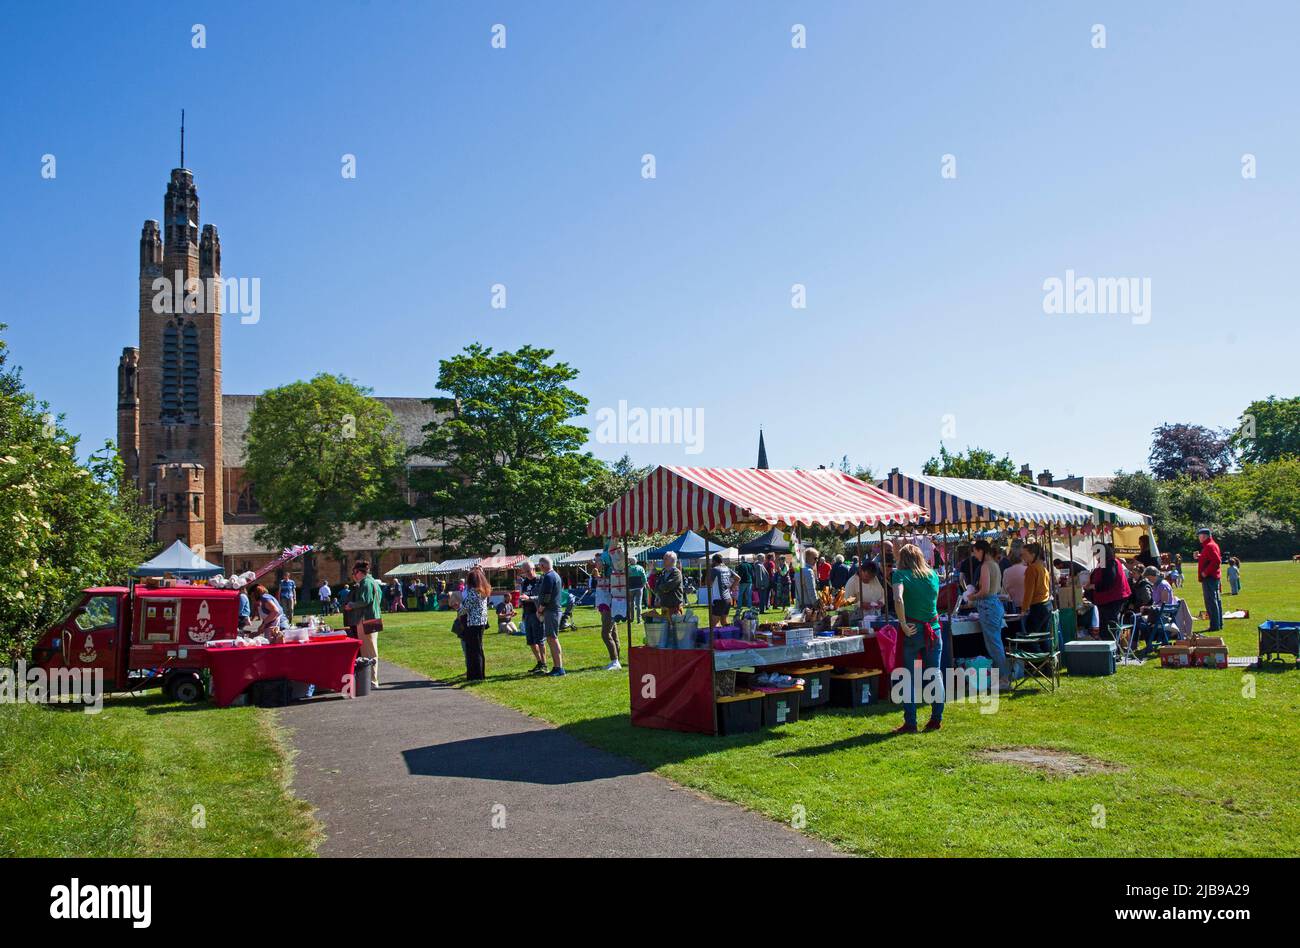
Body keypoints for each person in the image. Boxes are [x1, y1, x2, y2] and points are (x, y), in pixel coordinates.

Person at [890, 543, 943, 734]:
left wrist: (903, 624)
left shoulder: (900, 575)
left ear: (902, 559)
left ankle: (910, 723)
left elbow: (898, 598)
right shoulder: (933, 575)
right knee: (934, 673)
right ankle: (936, 719)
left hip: (912, 630)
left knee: (908, 678)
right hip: (933, 630)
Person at [969, 539, 1009, 684]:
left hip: (988, 607)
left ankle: (1004, 677)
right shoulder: (995, 565)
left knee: (994, 644)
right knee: (995, 643)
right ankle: (1002, 675)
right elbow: (995, 589)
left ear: (981, 551)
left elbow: (985, 591)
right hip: (995, 606)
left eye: (975, 552)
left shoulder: (986, 566)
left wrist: (972, 596)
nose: (974, 555)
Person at [1084, 543, 1130, 639]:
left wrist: (1093, 586)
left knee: (1109, 626)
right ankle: (1110, 647)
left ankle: (1112, 649)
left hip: (1112, 599)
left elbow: (1108, 582)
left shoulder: (1110, 562)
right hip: (1107, 599)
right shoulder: (1105, 562)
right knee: (1106, 626)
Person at [350, 560, 383, 687]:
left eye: (354, 572)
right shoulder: (373, 581)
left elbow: (364, 600)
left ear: (359, 572)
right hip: (374, 617)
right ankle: (371, 678)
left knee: (368, 651)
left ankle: (372, 680)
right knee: (371, 649)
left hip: (366, 619)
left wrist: (351, 605)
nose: (353, 575)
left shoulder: (365, 583)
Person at [457, 565, 491, 681]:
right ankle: (480, 674)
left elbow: (465, 608)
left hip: (472, 623)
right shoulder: (484, 590)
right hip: (481, 622)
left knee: (473, 650)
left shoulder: (473, 592)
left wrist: (458, 609)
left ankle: (475, 675)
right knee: (479, 649)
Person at [535, 556, 567, 675]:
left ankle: (559, 668)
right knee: (551, 638)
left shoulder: (548, 576)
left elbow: (547, 595)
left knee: (552, 638)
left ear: (543, 565)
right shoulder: (555, 575)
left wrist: (540, 609)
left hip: (551, 611)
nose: (539, 567)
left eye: (539, 565)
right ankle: (557, 667)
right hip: (554, 610)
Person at [1020, 542, 1053, 647]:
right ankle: (1048, 661)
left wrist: (1024, 609)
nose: (1023, 557)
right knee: (1044, 638)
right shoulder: (1043, 568)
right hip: (1047, 604)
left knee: (1031, 638)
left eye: (1025, 554)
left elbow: (1029, 591)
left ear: (1033, 555)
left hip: (1038, 606)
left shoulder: (1032, 569)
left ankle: (1038, 661)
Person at [517, 561, 548, 673]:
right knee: (530, 641)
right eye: (525, 572)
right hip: (527, 613)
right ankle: (539, 662)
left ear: (534, 568)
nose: (527, 574)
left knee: (540, 640)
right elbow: (523, 595)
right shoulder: (524, 582)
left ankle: (544, 664)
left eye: (528, 571)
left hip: (537, 613)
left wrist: (529, 598)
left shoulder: (541, 580)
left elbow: (542, 596)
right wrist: (521, 600)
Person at [1197, 528, 1223, 631]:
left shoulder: (1209, 546)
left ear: (1204, 536)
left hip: (1209, 578)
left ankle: (1214, 625)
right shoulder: (1211, 545)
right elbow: (1209, 559)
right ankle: (1218, 624)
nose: (1199, 538)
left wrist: (1205, 572)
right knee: (1216, 601)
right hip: (1213, 577)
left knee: (1211, 602)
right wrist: (1200, 556)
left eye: (1199, 536)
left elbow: (1216, 561)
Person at [707, 553, 736, 628]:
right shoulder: (727, 568)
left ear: (714, 561)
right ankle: (728, 637)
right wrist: (732, 587)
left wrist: (709, 572)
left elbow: (708, 584)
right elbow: (738, 578)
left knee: (712, 626)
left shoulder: (715, 569)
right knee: (724, 622)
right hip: (728, 599)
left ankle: (712, 639)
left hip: (719, 600)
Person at [655, 551, 686, 617]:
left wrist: (663, 588)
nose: (663, 560)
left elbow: (668, 586)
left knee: (676, 626)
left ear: (672, 561)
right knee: (665, 626)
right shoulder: (662, 572)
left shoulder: (677, 573)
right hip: (664, 606)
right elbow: (656, 587)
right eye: (663, 558)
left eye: (666, 559)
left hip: (675, 607)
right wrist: (662, 588)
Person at [627, 557, 647, 623]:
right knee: (639, 605)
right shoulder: (640, 568)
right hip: (639, 588)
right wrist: (643, 585)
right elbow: (644, 577)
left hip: (630, 588)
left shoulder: (627, 568)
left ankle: (631, 619)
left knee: (631, 604)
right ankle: (639, 620)